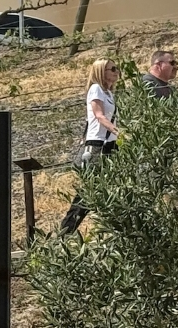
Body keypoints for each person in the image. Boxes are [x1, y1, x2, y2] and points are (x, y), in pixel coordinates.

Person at [59, 58, 119, 235]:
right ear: (102, 72)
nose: (116, 72)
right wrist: (119, 131)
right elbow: (99, 116)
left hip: (109, 144)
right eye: (112, 69)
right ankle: (66, 231)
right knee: (88, 192)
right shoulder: (96, 90)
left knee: (106, 188)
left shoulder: (109, 93)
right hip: (98, 145)